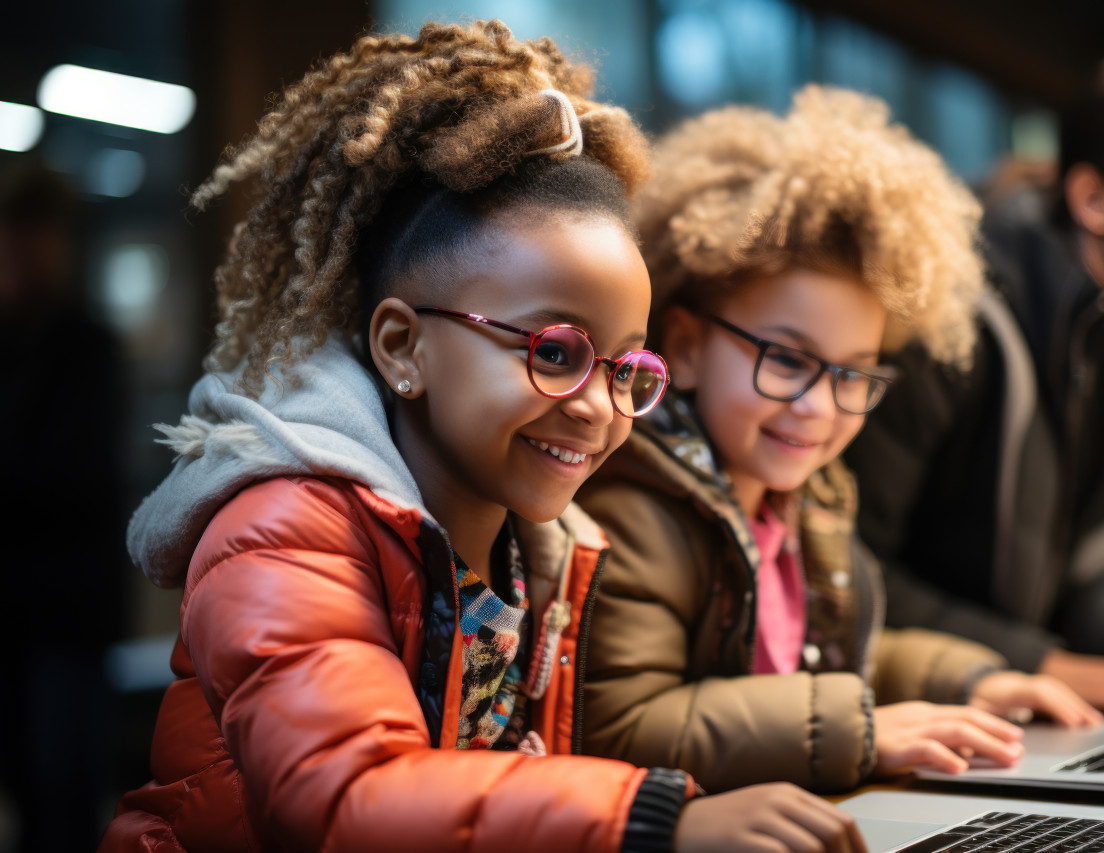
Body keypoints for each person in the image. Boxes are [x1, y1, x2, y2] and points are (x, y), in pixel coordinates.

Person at [99, 21, 867, 853]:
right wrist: (654, 816)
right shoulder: (283, 533)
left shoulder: (538, 549)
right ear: (404, 346)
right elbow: (348, 797)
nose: (599, 407)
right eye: (554, 351)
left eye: (624, 369)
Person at [575, 86, 1101, 796]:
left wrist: (972, 678)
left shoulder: (810, 500)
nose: (820, 406)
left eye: (853, 372)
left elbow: (831, 661)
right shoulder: (637, 503)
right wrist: (863, 730)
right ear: (686, 346)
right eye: (788, 359)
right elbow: (623, 724)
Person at [843, 43, 1104, 715]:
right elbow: (849, 566)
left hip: (1018, 698)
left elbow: (1097, 556)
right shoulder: (952, 324)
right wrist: (1048, 664)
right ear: (1094, 199)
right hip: (928, 709)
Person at [1, 161, 129, 853]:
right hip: (15, 612)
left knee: (67, 794)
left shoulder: (88, 347)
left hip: (68, 614)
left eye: (32, 236)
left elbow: (70, 476)